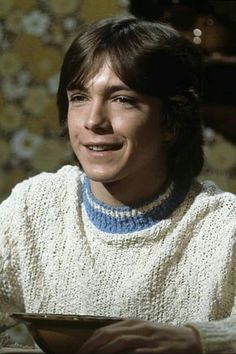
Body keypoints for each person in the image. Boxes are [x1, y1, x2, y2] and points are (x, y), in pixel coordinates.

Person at [0, 16, 235, 354]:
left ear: (171, 122)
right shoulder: (33, 207)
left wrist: (197, 340)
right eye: (79, 97)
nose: (93, 120)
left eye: (122, 99)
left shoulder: (224, 226)